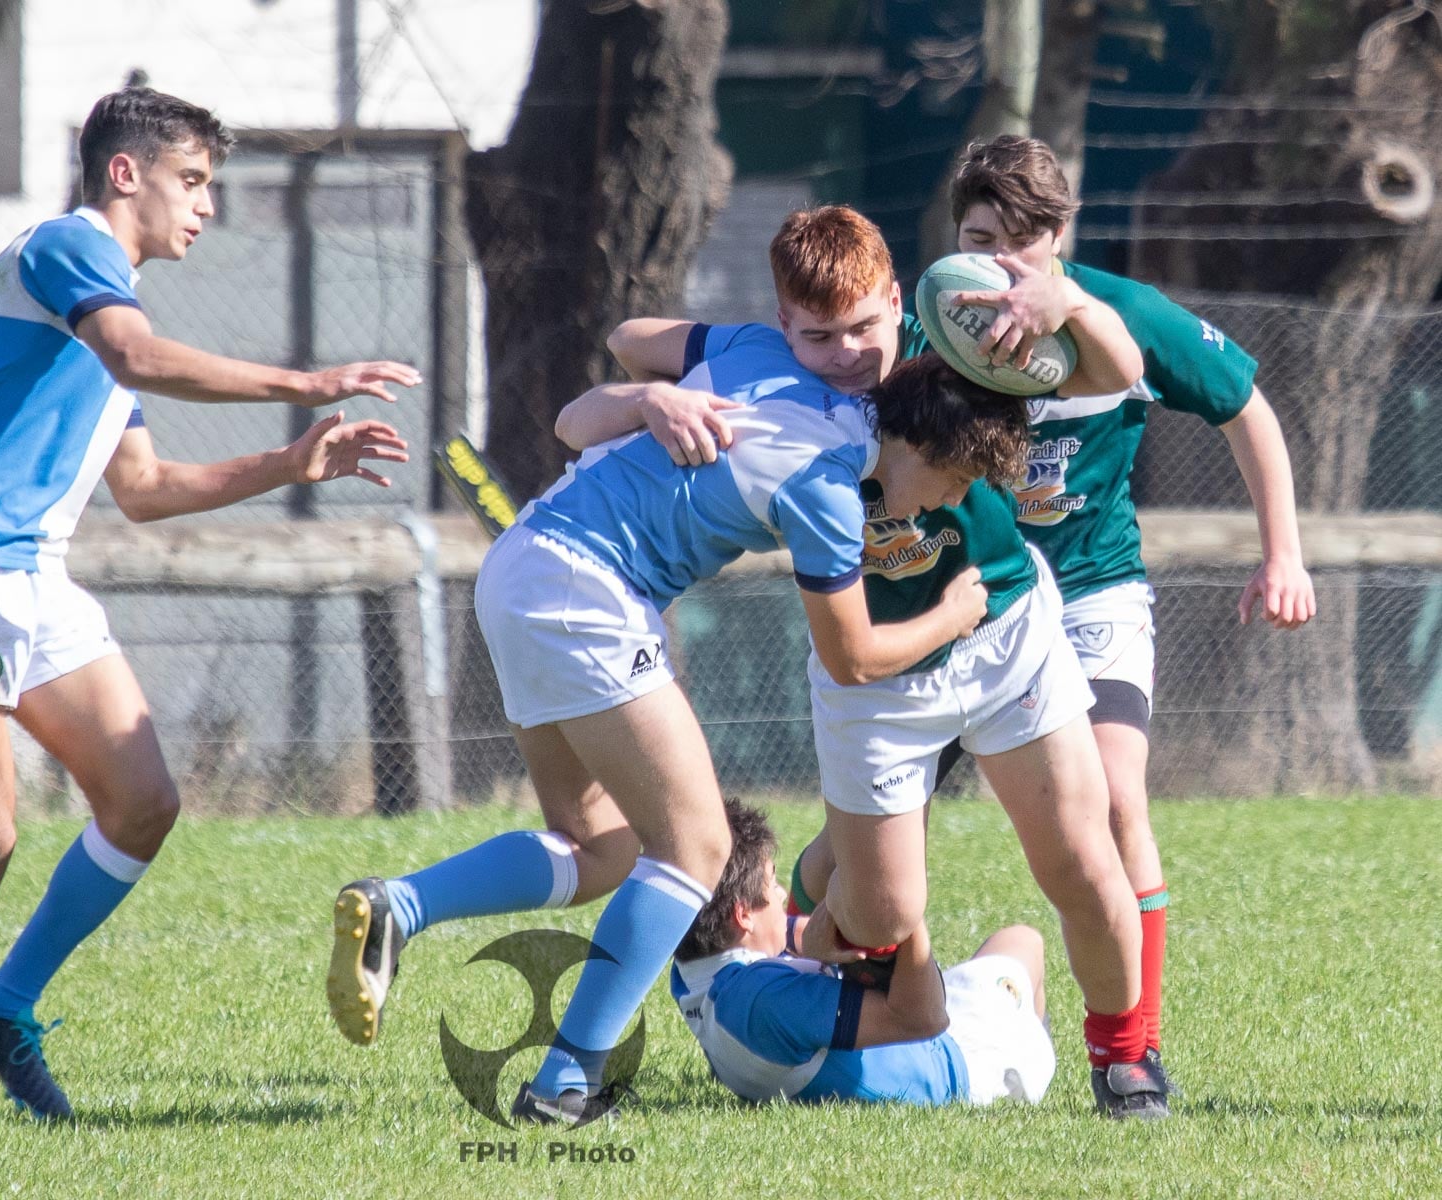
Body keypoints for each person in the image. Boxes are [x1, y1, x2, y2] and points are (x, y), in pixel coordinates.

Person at [0, 86, 416, 1122]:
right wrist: (308, 381)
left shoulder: (106, 315)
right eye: (193, 181)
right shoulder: (71, 250)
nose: (205, 206)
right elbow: (137, 355)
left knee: (144, 799)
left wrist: (293, 463)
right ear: (126, 173)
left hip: (29, 575)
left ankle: (4, 1009)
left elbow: (149, 491)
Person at [328, 338, 1031, 1126]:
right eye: (956, 480)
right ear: (924, 441)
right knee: (697, 847)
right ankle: (567, 1080)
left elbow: (625, 343)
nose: (948, 501)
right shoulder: (827, 486)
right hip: (589, 590)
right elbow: (853, 658)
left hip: (525, 562)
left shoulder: (765, 354)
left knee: (598, 847)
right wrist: (953, 616)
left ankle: (402, 906)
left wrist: (646, 398)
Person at [572, 205, 1169, 1118]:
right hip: (879, 682)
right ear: (783, 326)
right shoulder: (764, 365)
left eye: (864, 325)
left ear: (898, 300)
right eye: (819, 334)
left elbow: (1119, 372)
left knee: (1084, 866)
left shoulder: (951, 341)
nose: (849, 352)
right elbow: (625, 341)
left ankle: (1124, 1064)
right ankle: (803, 935)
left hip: (1004, 632)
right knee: (886, 915)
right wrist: (653, 398)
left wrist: (1066, 302)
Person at [942, 133, 1317, 1087]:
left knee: (1114, 803)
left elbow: (1250, 410)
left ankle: (1130, 1052)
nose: (997, 262)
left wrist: (1284, 553)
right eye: (979, 236)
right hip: (973, 598)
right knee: (868, 819)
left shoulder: (1129, 315)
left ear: (1060, 236)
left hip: (1095, 593)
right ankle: (799, 966)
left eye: (1019, 244)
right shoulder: (938, 319)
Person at [671, 800, 1055, 1108]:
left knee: (1012, 942)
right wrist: (902, 917)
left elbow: (789, 934)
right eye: (772, 884)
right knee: (1025, 942)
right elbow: (924, 1020)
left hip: (930, 1032)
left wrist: (821, 937)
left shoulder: (694, 966)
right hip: (963, 1066)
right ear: (742, 915)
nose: (781, 895)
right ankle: (1029, 1061)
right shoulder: (766, 1002)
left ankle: (1030, 1042)